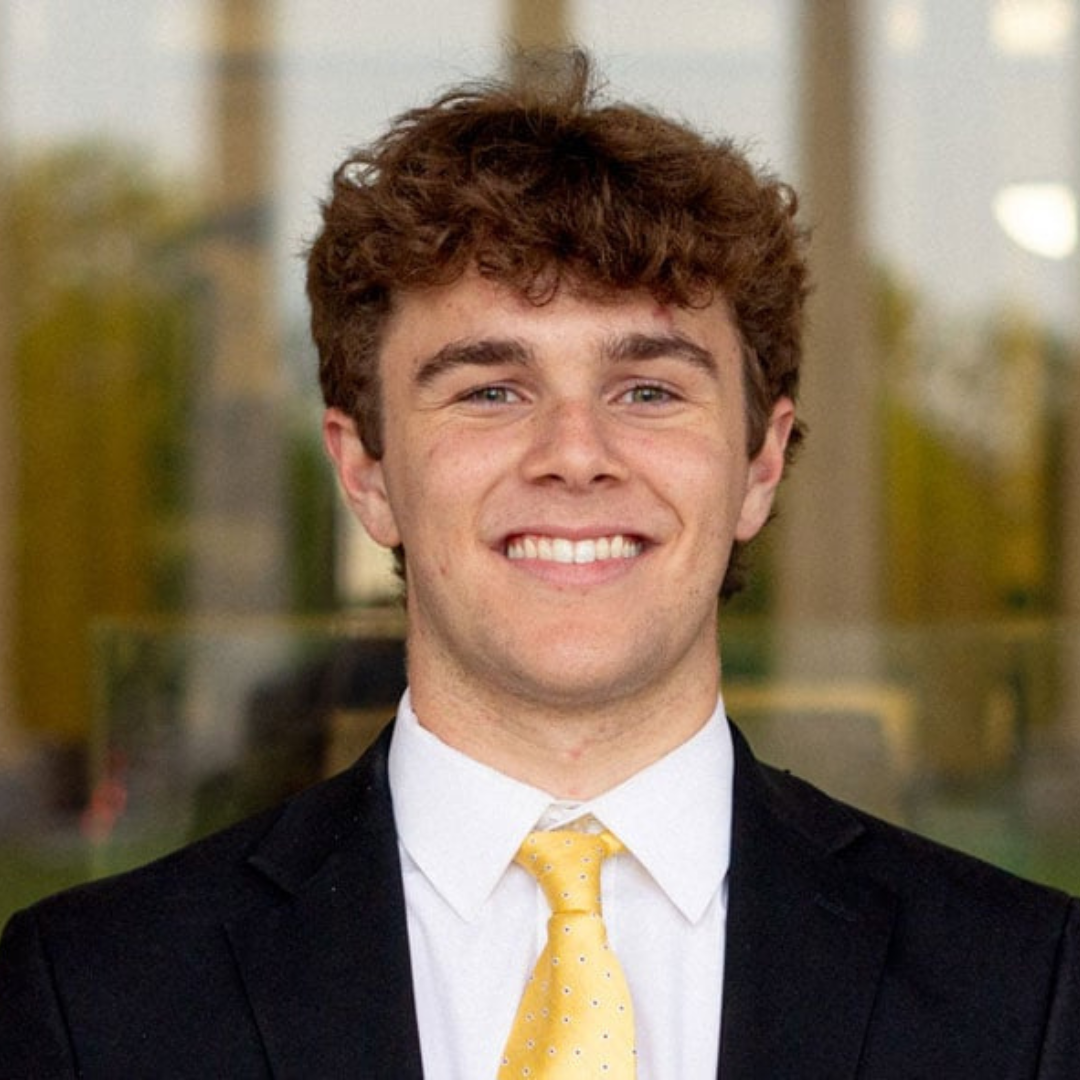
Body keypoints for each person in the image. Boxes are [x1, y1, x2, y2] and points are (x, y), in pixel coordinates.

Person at [1, 52, 1077, 1079]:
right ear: (366, 471)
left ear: (760, 463)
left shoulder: (1030, 990)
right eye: (491, 390)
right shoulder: (88, 998)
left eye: (648, 390)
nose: (574, 453)